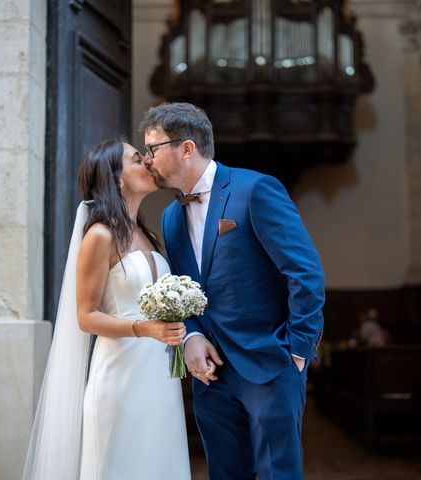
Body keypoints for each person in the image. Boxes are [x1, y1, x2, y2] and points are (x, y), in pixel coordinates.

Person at [141, 102, 325, 480]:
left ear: (186, 148)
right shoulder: (170, 216)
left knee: (278, 474)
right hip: (211, 375)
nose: (147, 160)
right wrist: (190, 335)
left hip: (270, 364)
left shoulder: (255, 189)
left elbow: (305, 274)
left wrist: (297, 352)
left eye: (153, 149)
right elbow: (183, 287)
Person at [22, 138, 191, 480]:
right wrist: (144, 328)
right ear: (116, 179)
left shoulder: (146, 232)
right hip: (120, 375)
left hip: (159, 376)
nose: (147, 162)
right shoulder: (100, 235)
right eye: (136, 158)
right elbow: (85, 316)